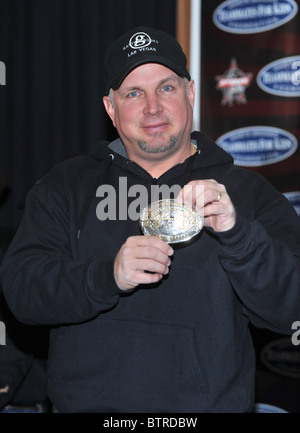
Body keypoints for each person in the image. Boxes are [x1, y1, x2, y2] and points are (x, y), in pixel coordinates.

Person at [0, 26, 300, 413]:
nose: (152, 107)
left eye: (166, 88)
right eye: (133, 93)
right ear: (111, 108)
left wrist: (239, 235)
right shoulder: (65, 187)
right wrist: (106, 276)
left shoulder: (245, 194)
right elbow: (23, 293)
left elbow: (292, 308)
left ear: (190, 93)